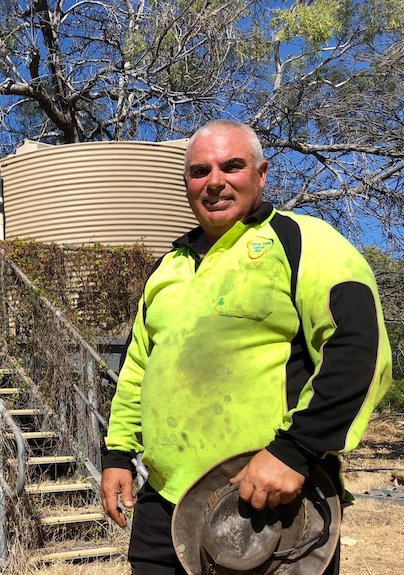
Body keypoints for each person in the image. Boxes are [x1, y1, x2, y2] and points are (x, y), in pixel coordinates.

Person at [99, 119, 392, 575]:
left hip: (269, 504)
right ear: (186, 184)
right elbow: (139, 366)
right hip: (165, 502)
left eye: (231, 166)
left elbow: (359, 348)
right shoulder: (167, 268)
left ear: (262, 174)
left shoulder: (301, 241)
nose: (214, 182)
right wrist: (118, 453)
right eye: (199, 171)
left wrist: (296, 452)